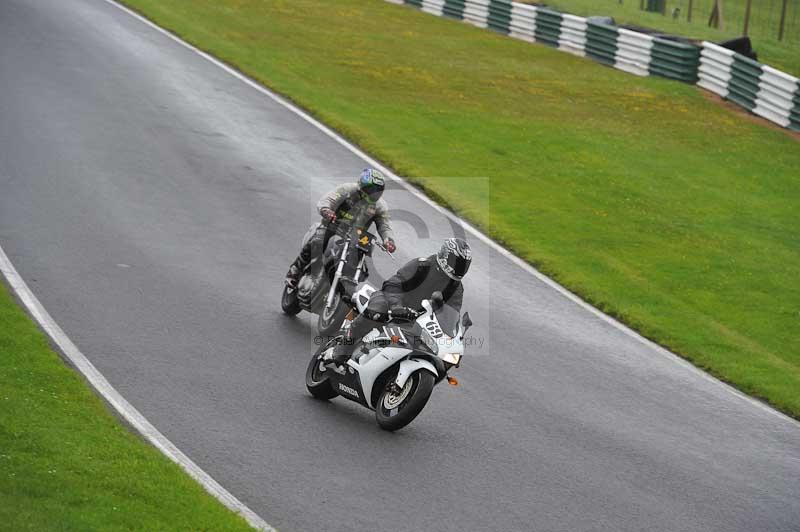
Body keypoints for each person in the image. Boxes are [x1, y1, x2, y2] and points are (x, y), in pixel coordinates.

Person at [329, 237, 472, 365]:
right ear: (445, 256)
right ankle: (342, 349)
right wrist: (397, 306)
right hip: (392, 302)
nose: (459, 268)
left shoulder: (456, 288)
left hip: (419, 320)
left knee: (433, 353)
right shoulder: (423, 266)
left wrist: (451, 340)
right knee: (377, 311)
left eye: (463, 265)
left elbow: (451, 313)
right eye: (457, 263)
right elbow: (393, 284)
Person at [286, 168, 396, 287]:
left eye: (377, 191)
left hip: (355, 238)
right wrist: (327, 210)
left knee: (362, 264)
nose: (374, 194)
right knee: (318, 240)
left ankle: (346, 286)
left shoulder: (380, 206)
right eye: (371, 190)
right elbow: (328, 199)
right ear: (362, 186)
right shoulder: (347, 190)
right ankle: (295, 270)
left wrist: (388, 240)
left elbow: (385, 225)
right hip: (333, 226)